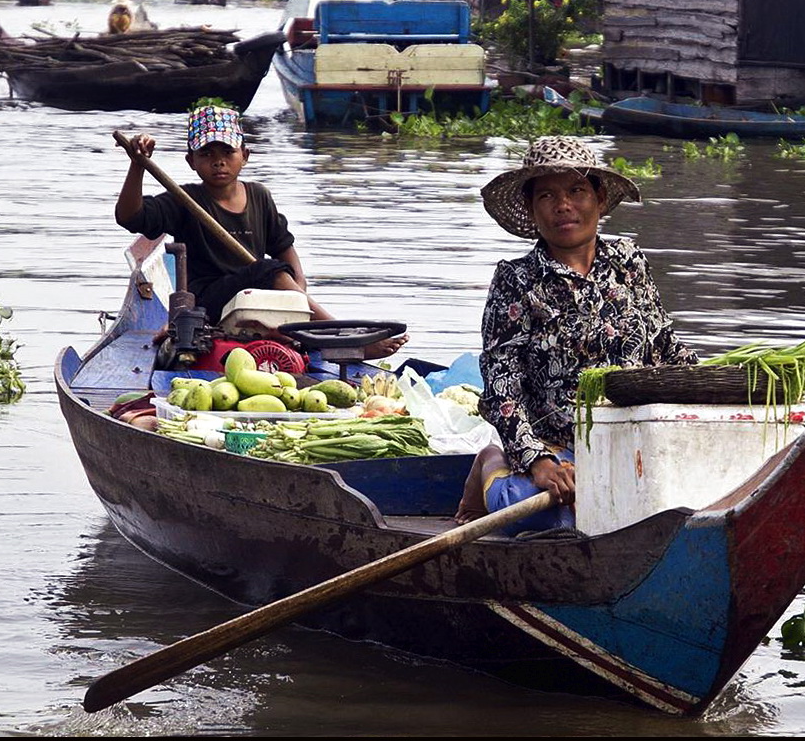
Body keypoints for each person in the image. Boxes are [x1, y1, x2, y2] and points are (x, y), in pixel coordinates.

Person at [453, 137, 698, 532]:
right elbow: (502, 389)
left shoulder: (629, 262)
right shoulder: (516, 280)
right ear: (533, 210)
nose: (563, 205)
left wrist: (726, 389)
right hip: (556, 448)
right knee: (544, 515)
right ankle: (490, 463)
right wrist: (538, 462)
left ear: (599, 199)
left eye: (576, 190)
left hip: (630, 441)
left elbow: (665, 346)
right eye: (547, 195)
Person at [115, 104, 407, 359]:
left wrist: (298, 285)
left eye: (227, 152)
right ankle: (339, 335)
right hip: (207, 301)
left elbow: (283, 246)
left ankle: (310, 335)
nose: (219, 161)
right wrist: (137, 166)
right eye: (207, 153)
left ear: (245, 154)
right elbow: (129, 217)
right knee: (269, 272)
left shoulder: (259, 196)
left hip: (253, 295)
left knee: (274, 277)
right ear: (192, 161)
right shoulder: (185, 200)